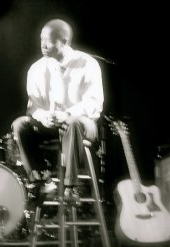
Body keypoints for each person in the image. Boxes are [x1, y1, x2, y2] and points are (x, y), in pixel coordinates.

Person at [12, 19, 104, 205]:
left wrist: (67, 114)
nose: (43, 45)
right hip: (50, 126)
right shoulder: (36, 69)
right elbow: (34, 107)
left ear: (64, 41)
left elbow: (94, 103)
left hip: (82, 123)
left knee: (72, 123)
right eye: (41, 40)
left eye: (49, 41)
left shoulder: (88, 64)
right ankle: (41, 180)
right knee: (20, 124)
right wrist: (43, 117)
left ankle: (72, 187)